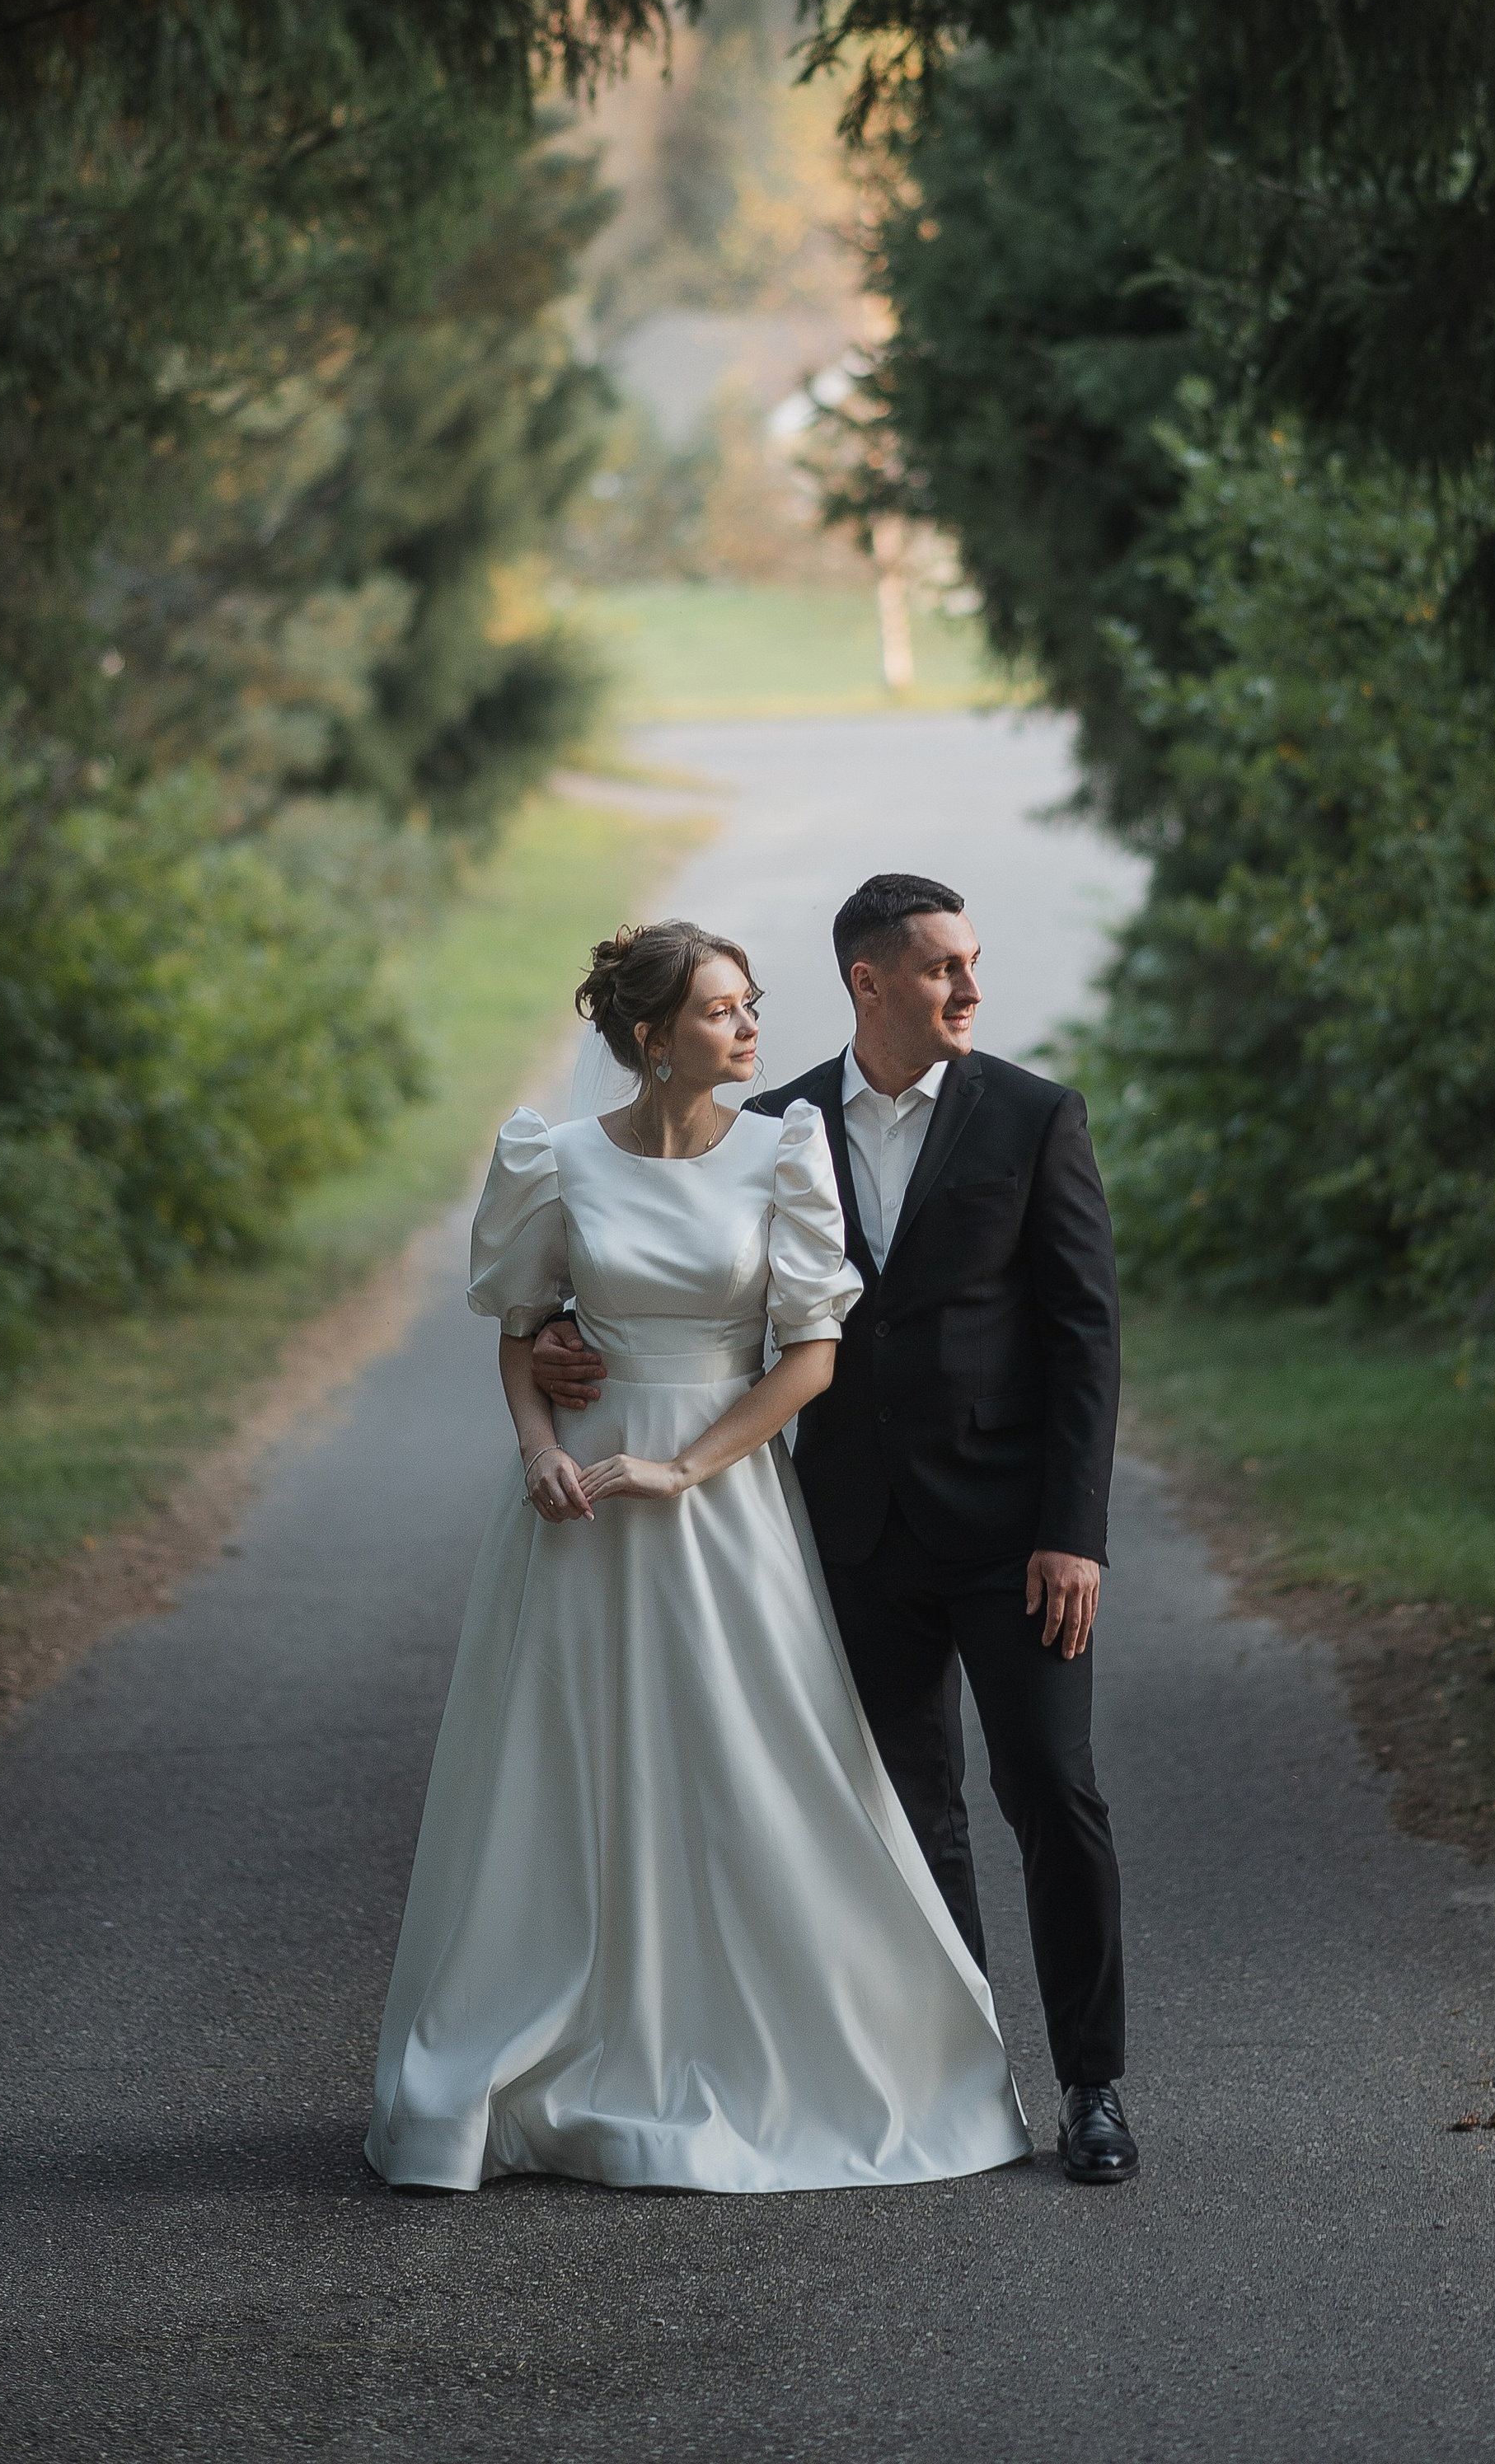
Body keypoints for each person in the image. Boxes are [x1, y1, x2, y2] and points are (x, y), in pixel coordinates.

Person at [364, 917, 1030, 2195]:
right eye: (722, 1010)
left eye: (750, 1003)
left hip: (721, 1499)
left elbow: (812, 1354)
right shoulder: (554, 1160)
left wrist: (684, 1466)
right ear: (652, 1038)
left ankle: (790, 2040)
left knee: (756, 1763)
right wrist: (537, 1446)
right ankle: (565, 2043)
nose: (750, 1027)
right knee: (567, 1772)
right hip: (578, 1507)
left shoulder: (784, 1155)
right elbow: (520, 1329)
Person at [532, 875, 1136, 2187]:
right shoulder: (775, 1124)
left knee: (1052, 1789)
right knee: (907, 1818)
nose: (969, 990)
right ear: (870, 983)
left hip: (1014, 1535)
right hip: (845, 1535)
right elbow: (716, 1298)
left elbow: (1086, 1337)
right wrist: (569, 1340)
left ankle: (1094, 2084)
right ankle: (965, 2076)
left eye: (973, 965)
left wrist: (1074, 1531)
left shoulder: (1035, 1118)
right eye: (939, 971)